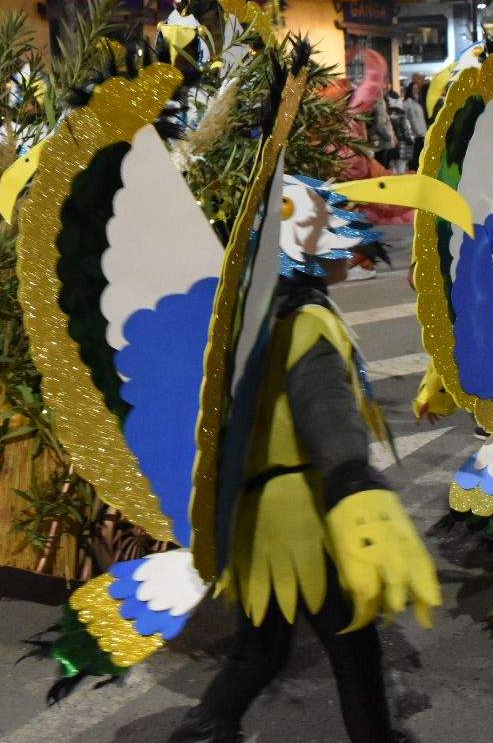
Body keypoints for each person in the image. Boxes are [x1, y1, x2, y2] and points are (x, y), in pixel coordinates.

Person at [170, 177, 439, 743]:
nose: (354, 261)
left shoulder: (248, 322)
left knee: (262, 647)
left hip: (255, 517)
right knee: (353, 645)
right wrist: (355, 485)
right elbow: (325, 412)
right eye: (342, 250)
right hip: (303, 521)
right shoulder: (308, 322)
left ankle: (204, 729)